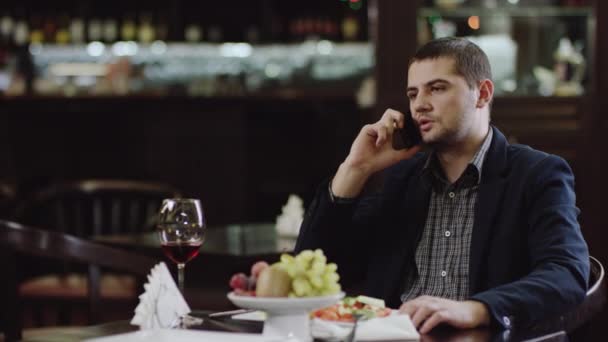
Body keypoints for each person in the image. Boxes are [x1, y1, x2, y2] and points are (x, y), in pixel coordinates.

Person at [295, 37, 589, 333]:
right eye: (413, 94)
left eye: (437, 88)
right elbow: (309, 265)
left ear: (483, 93)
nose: (420, 105)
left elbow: (566, 274)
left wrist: (478, 309)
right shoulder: (404, 179)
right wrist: (355, 169)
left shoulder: (535, 174)